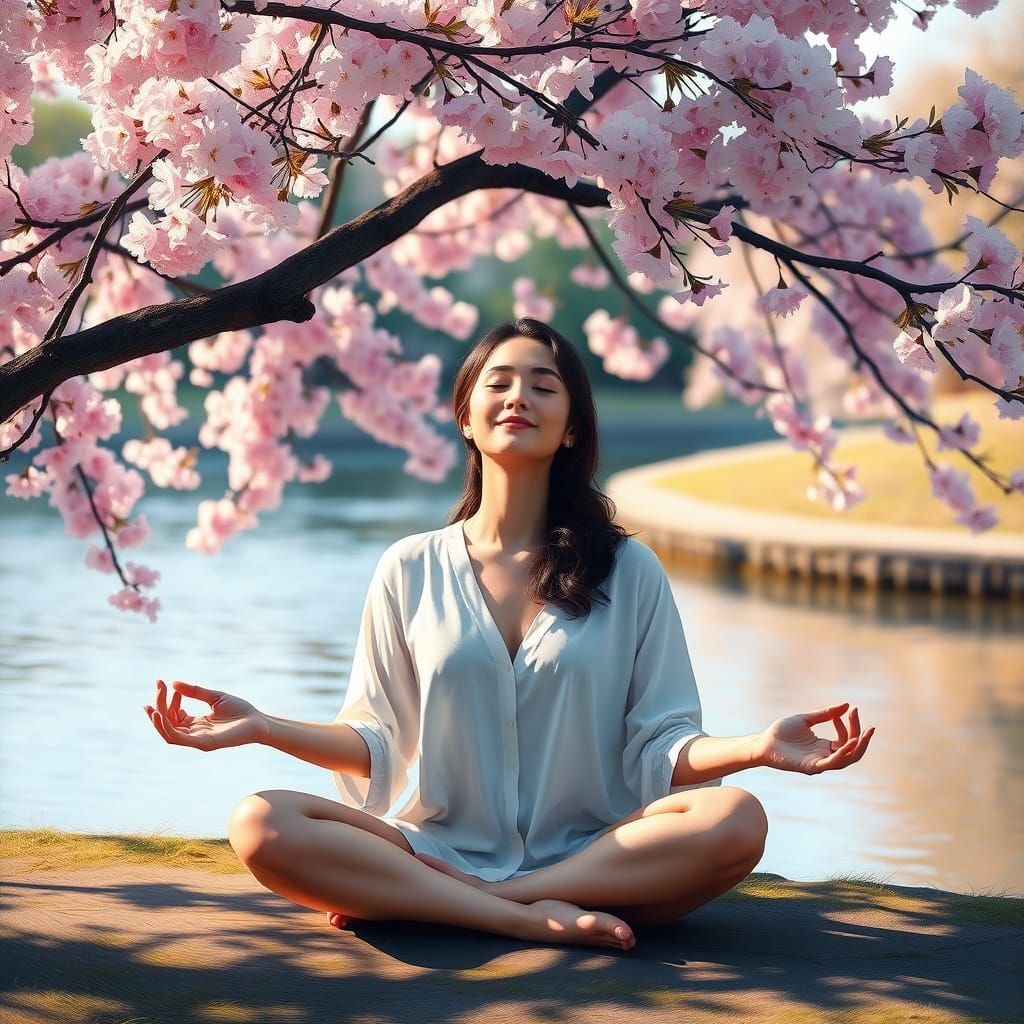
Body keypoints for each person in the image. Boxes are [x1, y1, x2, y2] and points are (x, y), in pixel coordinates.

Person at [144, 317, 875, 952]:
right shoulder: (409, 569)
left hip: (595, 853)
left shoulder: (631, 571)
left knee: (736, 819)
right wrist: (263, 726)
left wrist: (760, 749)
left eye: (542, 386)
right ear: (466, 415)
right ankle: (523, 920)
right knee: (262, 822)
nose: (518, 397)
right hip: (434, 846)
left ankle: (479, 903)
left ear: (573, 427)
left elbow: (660, 749)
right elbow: (376, 741)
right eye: (498, 383)